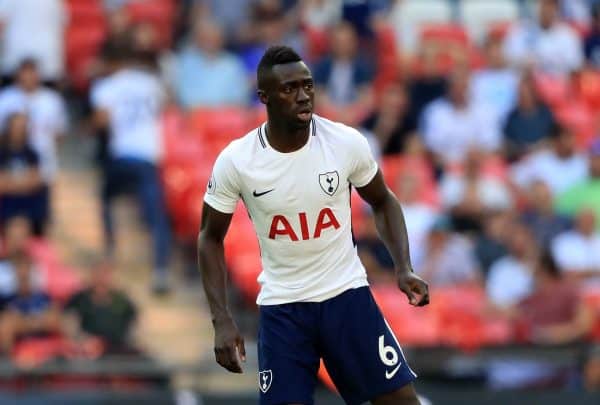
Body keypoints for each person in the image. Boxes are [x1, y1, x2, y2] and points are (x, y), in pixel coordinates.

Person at [198, 46, 428, 405]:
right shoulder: (237, 161)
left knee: (401, 402)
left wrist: (403, 267)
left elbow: (383, 200)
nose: (303, 95)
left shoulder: (345, 142)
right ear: (264, 97)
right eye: (289, 88)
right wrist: (222, 319)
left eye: (307, 85)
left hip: (346, 296)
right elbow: (210, 238)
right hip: (284, 307)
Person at [91, 46, 172, 294]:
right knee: (156, 216)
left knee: (106, 198)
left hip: (122, 155)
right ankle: (160, 271)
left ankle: (110, 251)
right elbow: (165, 106)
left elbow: (102, 121)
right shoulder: (152, 82)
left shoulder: (107, 85)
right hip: (148, 155)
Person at [65, 260, 138, 355]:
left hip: (117, 349)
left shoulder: (121, 300)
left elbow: (131, 324)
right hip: (86, 349)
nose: (102, 278)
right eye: (99, 273)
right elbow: (67, 319)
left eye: (106, 274)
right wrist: (82, 340)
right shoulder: (81, 297)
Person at [0, 113, 48, 235]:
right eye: (16, 127)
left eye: (22, 127)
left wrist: (10, 183)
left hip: (28, 208)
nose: (18, 131)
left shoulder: (32, 153)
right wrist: (23, 183)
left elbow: (36, 181)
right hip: (5, 207)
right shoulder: (2, 153)